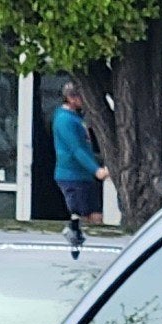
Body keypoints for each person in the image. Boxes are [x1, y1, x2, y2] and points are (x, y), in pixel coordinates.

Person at [49, 94, 105, 245]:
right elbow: (76, 149)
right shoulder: (64, 119)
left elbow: (85, 148)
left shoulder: (75, 117)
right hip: (73, 176)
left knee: (96, 217)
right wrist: (96, 170)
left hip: (84, 176)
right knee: (83, 220)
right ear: (71, 98)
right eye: (80, 96)